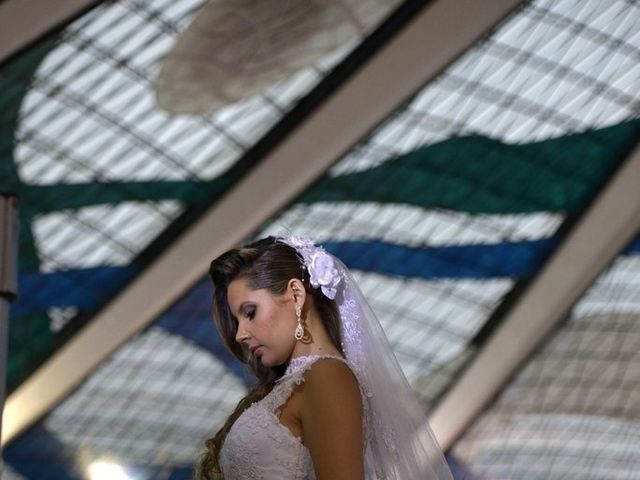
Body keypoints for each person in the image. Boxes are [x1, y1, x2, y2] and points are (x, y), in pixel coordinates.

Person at [195, 235, 453, 480]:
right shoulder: (296, 384)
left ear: (296, 295)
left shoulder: (327, 376)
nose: (240, 334)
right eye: (237, 320)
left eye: (250, 313)